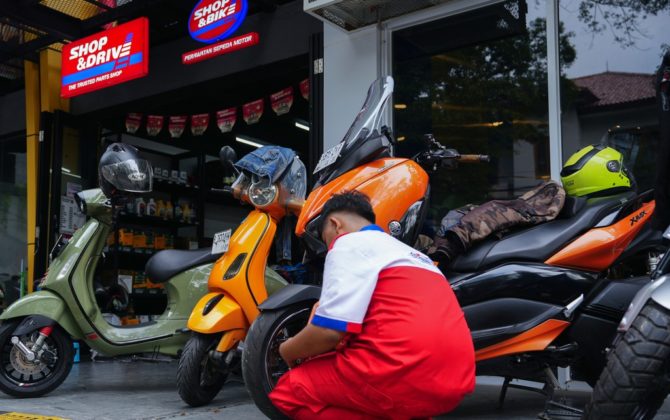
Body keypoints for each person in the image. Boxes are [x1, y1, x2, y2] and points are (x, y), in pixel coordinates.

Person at [269, 191, 475, 419]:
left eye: (326, 239)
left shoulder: (349, 243)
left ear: (335, 224)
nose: (329, 247)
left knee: (289, 391)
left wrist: (287, 349)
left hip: (400, 373)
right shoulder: (415, 256)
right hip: (454, 382)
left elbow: (329, 331)